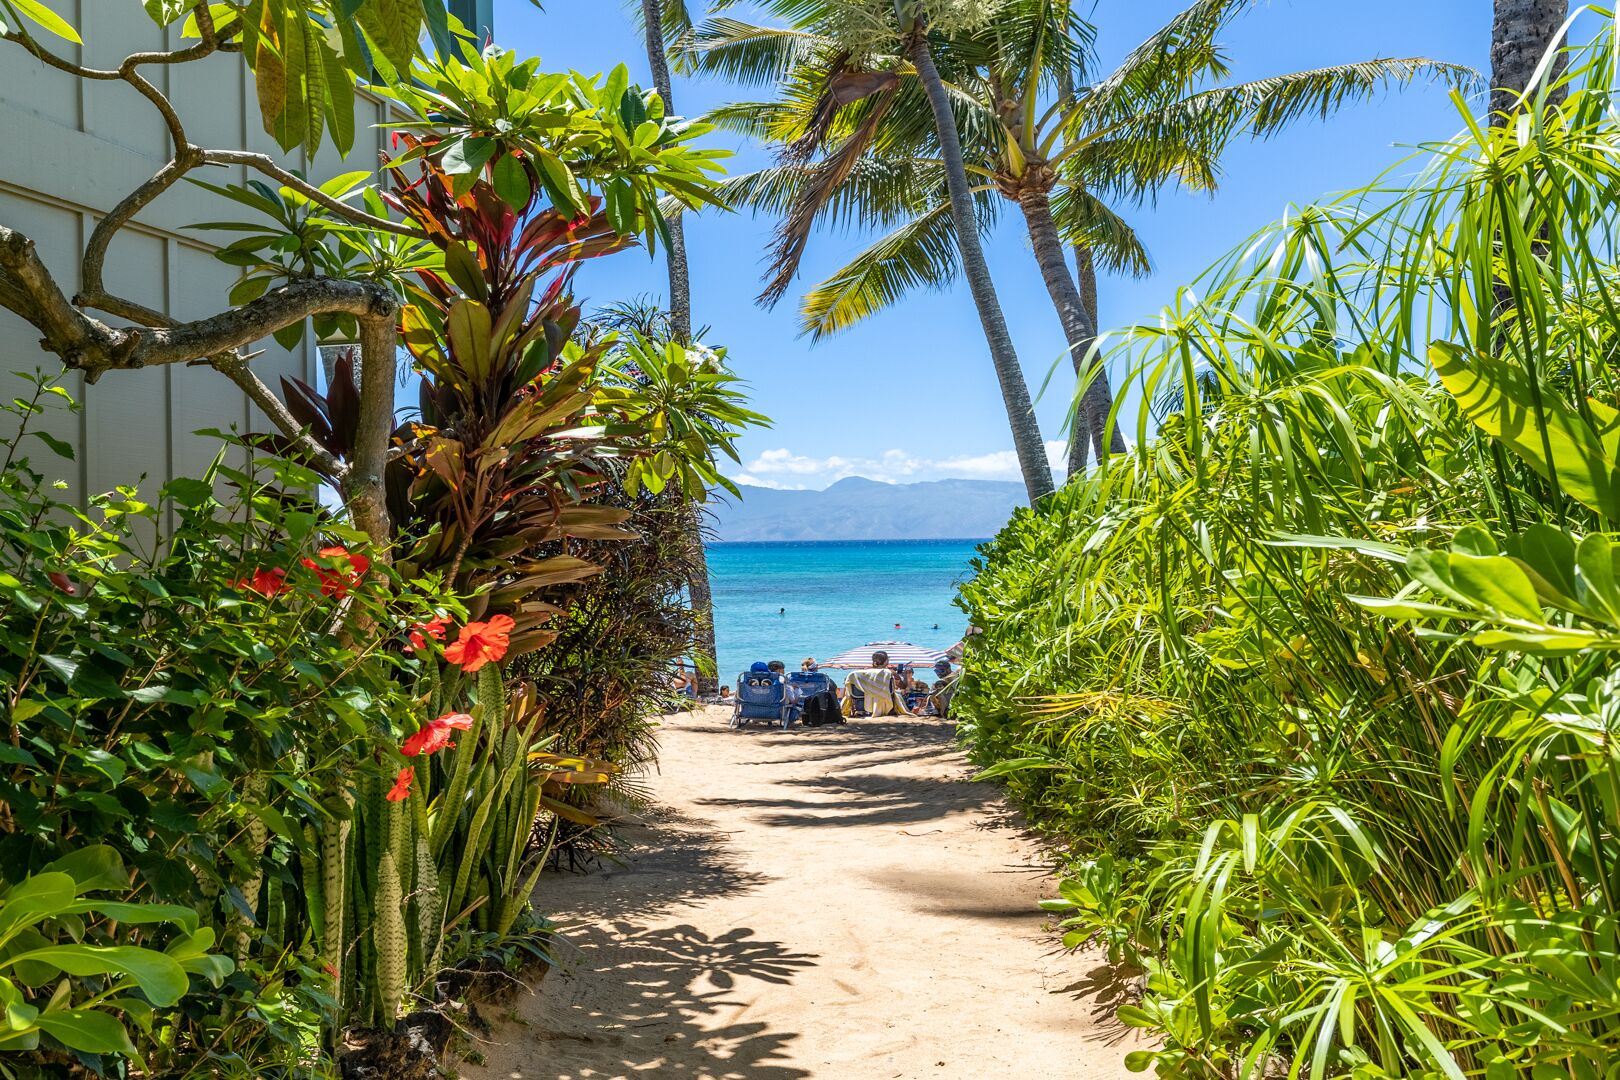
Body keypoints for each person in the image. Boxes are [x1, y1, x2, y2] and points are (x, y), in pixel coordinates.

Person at [842, 650, 909, 717]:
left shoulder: (864, 673)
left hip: (862, 701)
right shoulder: (890, 673)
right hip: (885, 703)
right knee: (898, 695)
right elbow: (903, 686)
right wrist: (905, 675)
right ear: (886, 661)